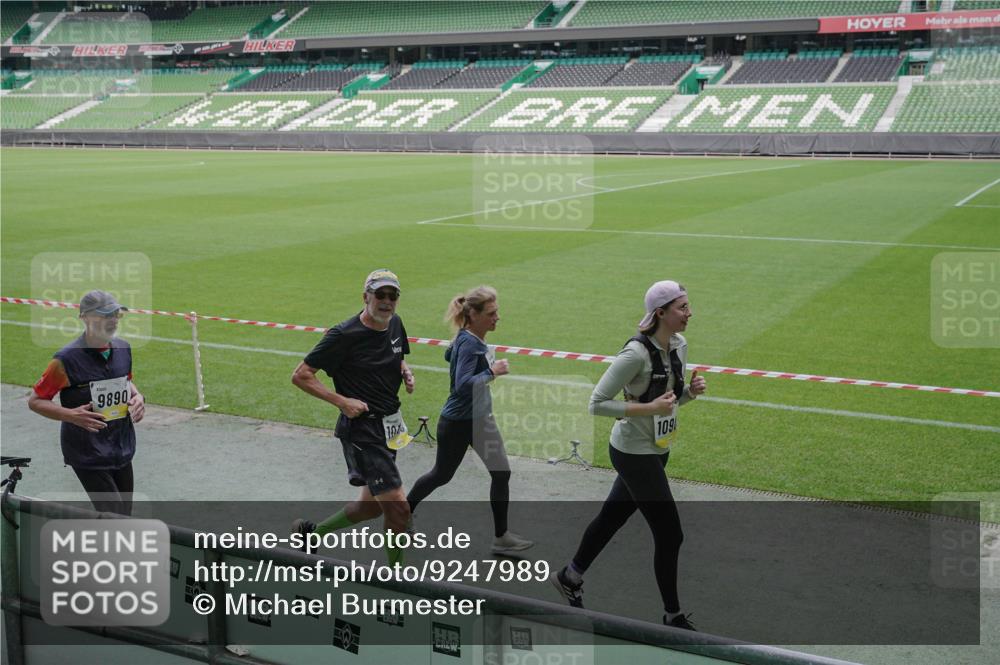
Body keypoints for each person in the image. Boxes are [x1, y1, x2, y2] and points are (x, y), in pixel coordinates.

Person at [551, 280, 707, 630]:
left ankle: (570, 576)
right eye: (682, 307)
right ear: (661, 312)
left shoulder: (679, 346)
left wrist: (689, 395)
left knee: (612, 518)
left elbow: (668, 400)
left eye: (688, 305)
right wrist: (650, 406)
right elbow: (597, 403)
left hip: (656, 449)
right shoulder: (635, 354)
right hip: (632, 453)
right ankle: (672, 616)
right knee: (670, 534)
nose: (689, 312)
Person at [291, 269, 415, 565]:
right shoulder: (343, 335)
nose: (386, 301)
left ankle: (312, 534)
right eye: (380, 295)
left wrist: (405, 371)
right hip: (363, 432)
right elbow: (301, 375)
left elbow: (396, 356)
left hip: (390, 425)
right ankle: (397, 582)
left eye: (392, 296)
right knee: (399, 509)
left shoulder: (395, 324)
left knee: (370, 507)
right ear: (365, 297)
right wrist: (342, 401)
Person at [407, 286, 534, 555]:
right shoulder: (470, 342)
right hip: (458, 423)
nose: (497, 317)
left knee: (501, 472)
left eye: (497, 311)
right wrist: (492, 371)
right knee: (441, 475)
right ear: (473, 315)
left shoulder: (467, 338)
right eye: (491, 313)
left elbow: (448, 355)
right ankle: (401, 514)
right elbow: (462, 386)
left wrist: (471, 354)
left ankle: (501, 537)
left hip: (480, 420)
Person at [28, 290, 145, 515]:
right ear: (85, 317)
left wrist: (138, 396)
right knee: (114, 514)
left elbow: (125, 380)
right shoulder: (66, 360)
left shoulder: (123, 348)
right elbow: (36, 401)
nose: (112, 320)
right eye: (104, 315)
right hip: (88, 451)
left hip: (120, 445)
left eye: (115, 314)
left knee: (123, 514)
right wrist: (71, 415)